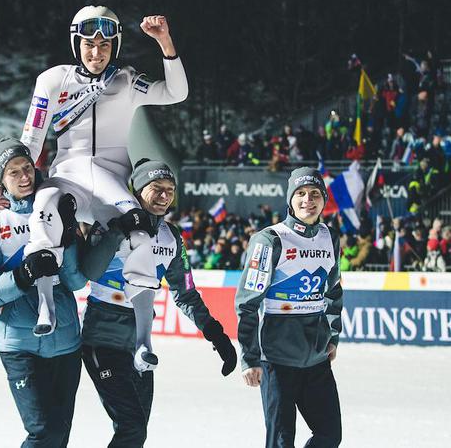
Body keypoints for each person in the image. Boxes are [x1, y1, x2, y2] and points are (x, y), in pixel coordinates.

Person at [17, 5, 188, 371]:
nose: (97, 53)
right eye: (89, 45)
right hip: (69, 176)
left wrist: (165, 44)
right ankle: (45, 301)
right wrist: (9, 183)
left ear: (115, 46)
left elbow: (176, 92)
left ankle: (143, 340)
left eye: (105, 46)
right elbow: (31, 140)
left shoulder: (126, 81)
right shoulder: (51, 81)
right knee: (45, 203)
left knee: (140, 232)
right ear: (76, 44)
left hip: (110, 180)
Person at [79, 158, 237, 447]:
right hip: (102, 341)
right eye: (156, 188)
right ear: (138, 190)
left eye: (170, 189)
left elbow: (186, 293)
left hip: (139, 348)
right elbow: (89, 271)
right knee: (132, 428)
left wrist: (217, 334)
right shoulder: (108, 224)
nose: (164, 196)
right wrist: (116, 232)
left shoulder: (172, 237)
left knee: (137, 432)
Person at [0, 137, 87, 447]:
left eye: (27, 168)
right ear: (1, 182)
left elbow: (74, 282)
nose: (24, 177)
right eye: (13, 172)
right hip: (19, 344)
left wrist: (70, 235)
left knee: (59, 436)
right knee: (42, 431)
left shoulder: (57, 208)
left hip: (66, 341)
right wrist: (23, 275)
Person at [235, 167, 343, 448]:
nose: (309, 199)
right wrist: (249, 357)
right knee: (282, 442)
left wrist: (333, 336)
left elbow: (333, 291)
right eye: (301, 193)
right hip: (277, 360)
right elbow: (247, 304)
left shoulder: (330, 238)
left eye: (316, 193)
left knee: (330, 436)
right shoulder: (270, 239)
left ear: (324, 199)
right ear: (290, 199)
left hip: (317, 359)